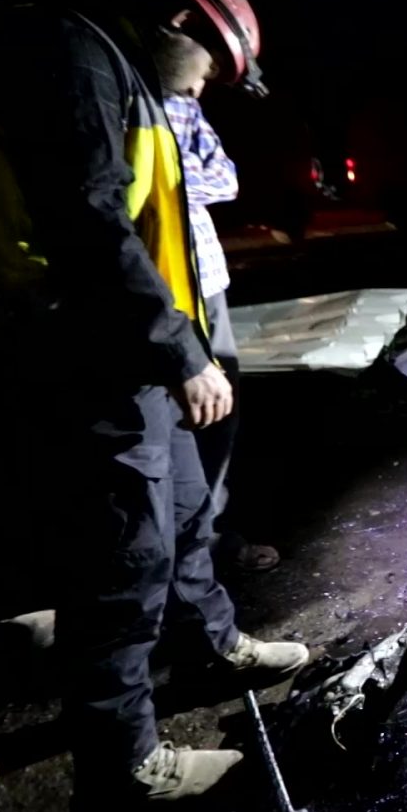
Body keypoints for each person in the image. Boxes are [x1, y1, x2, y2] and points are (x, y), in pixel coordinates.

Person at [0, 0, 307, 808]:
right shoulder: (70, 53)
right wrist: (181, 353)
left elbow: (142, 219)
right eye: (213, 66)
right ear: (183, 21)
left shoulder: (109, 59)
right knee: (123, 554)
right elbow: (88, 222)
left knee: (185, 509)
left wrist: (175, 342)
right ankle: (124, 762)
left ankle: (209, 645)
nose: (204, 88)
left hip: (118, 339)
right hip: (71, 343)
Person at [162, 89, 280, 572]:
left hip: (197, 278)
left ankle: (201, 542)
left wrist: (169, 180)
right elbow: (216, 180)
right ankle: (189, 551)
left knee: (210, 413)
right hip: (168, 285)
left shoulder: (171, 104)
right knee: (187, 419)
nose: (206, 83)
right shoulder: (156, 101)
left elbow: (221, 179)